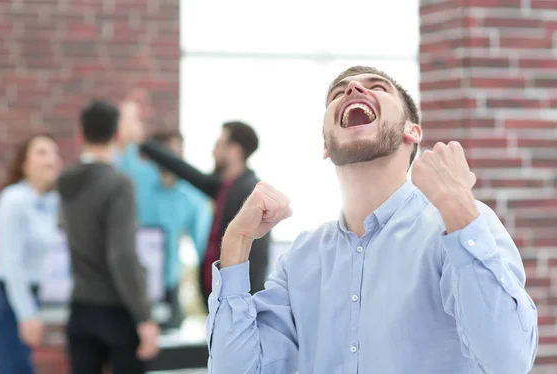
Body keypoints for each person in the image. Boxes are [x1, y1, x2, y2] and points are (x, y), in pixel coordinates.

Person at [206, 66, 539, 373]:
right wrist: (237, 240)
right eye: (338, 93)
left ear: (413, 131)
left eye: (377, 86)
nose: (352, 88)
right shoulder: (300, 258)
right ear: (326, 145)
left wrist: (460, 212)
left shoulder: (458, 226)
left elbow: (508, 360)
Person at [56, 99, 160, 374]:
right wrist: (144, 317)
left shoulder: (65, 181)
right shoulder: (118, 183)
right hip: (117, 311)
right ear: (117, 136)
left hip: (80, 308)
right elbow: (122, 255)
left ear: (81, 135)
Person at [140, 118, 269, 308]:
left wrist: (246, 306)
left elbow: (256, 255)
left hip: (237, 305)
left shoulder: (250, 192)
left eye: (219, 144)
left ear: (234, 151)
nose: (213, 151)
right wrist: (143, 144)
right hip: (218, 299)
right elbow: (182, 169)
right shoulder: (222, 187)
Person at [116, 97, 212, 329]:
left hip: (168, 285)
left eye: (177, 154)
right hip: (130, 284)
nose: (173, 160)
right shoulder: (137, 177)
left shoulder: (192, 196)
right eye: (167, 154)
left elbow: (203, 246)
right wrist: (129, 116)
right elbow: (125, 151)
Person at [0, 134, 62, 374]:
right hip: (8, 302)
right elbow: (11, 262)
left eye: (54, 153)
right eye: (42, 152)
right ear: (24, 164)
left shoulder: (52, 202)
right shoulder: (13, 201)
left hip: (32, 296)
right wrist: (26, 314)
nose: (51, 159)